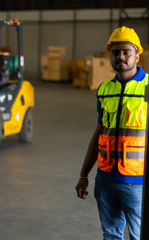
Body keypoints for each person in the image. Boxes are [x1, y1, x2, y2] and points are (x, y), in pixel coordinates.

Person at [75, 26, 146, 240]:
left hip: (137, 183)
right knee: (111, 235)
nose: (121, 56)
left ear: (137, 56)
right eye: (116, 52)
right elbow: (99, 134)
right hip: (105, 180)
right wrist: (84, 175)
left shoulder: (148, 88)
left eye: (126, 52)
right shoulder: (104, 90)